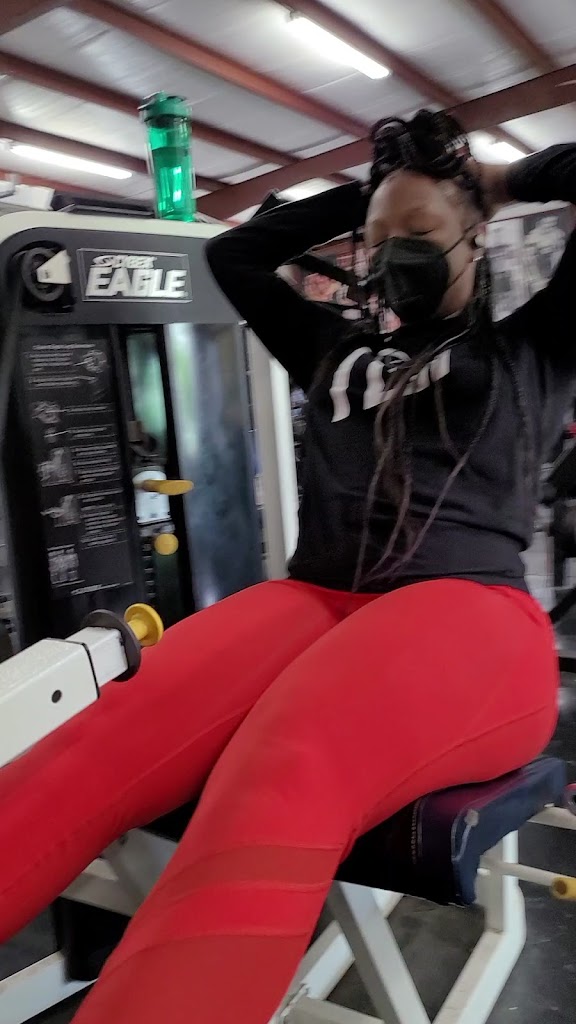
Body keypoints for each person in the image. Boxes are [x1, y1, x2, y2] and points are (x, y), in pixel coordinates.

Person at [0, 111, 572, 1024]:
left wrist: (502, 180)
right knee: (101, 737)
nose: (394, 252)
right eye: (379, 239)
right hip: (317, 598)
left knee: (287, 763)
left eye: (420, 233)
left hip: (473, 611)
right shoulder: (332, 350)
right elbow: (236, 255)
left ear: (474, 236)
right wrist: (375, 192)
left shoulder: (533, 346)